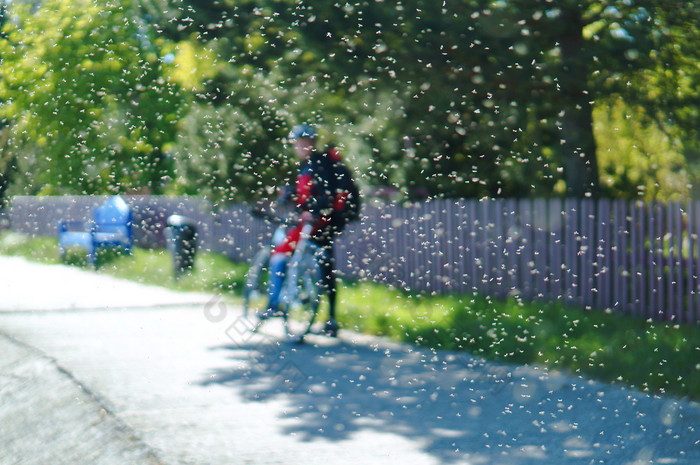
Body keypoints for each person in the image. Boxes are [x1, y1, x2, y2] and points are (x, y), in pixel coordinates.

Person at [263, 124, 342, 337]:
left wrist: (312, 211)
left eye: (302, 143)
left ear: (310, 143)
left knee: (280, 253)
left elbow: (325, 194)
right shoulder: (308, 165)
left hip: (318, 223)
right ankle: (329, 317)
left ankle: (273, 304)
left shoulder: (319, 165)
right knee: (326, 269)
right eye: (297, 144)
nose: (299, 147)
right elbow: (307, 195)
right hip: (318, 222)